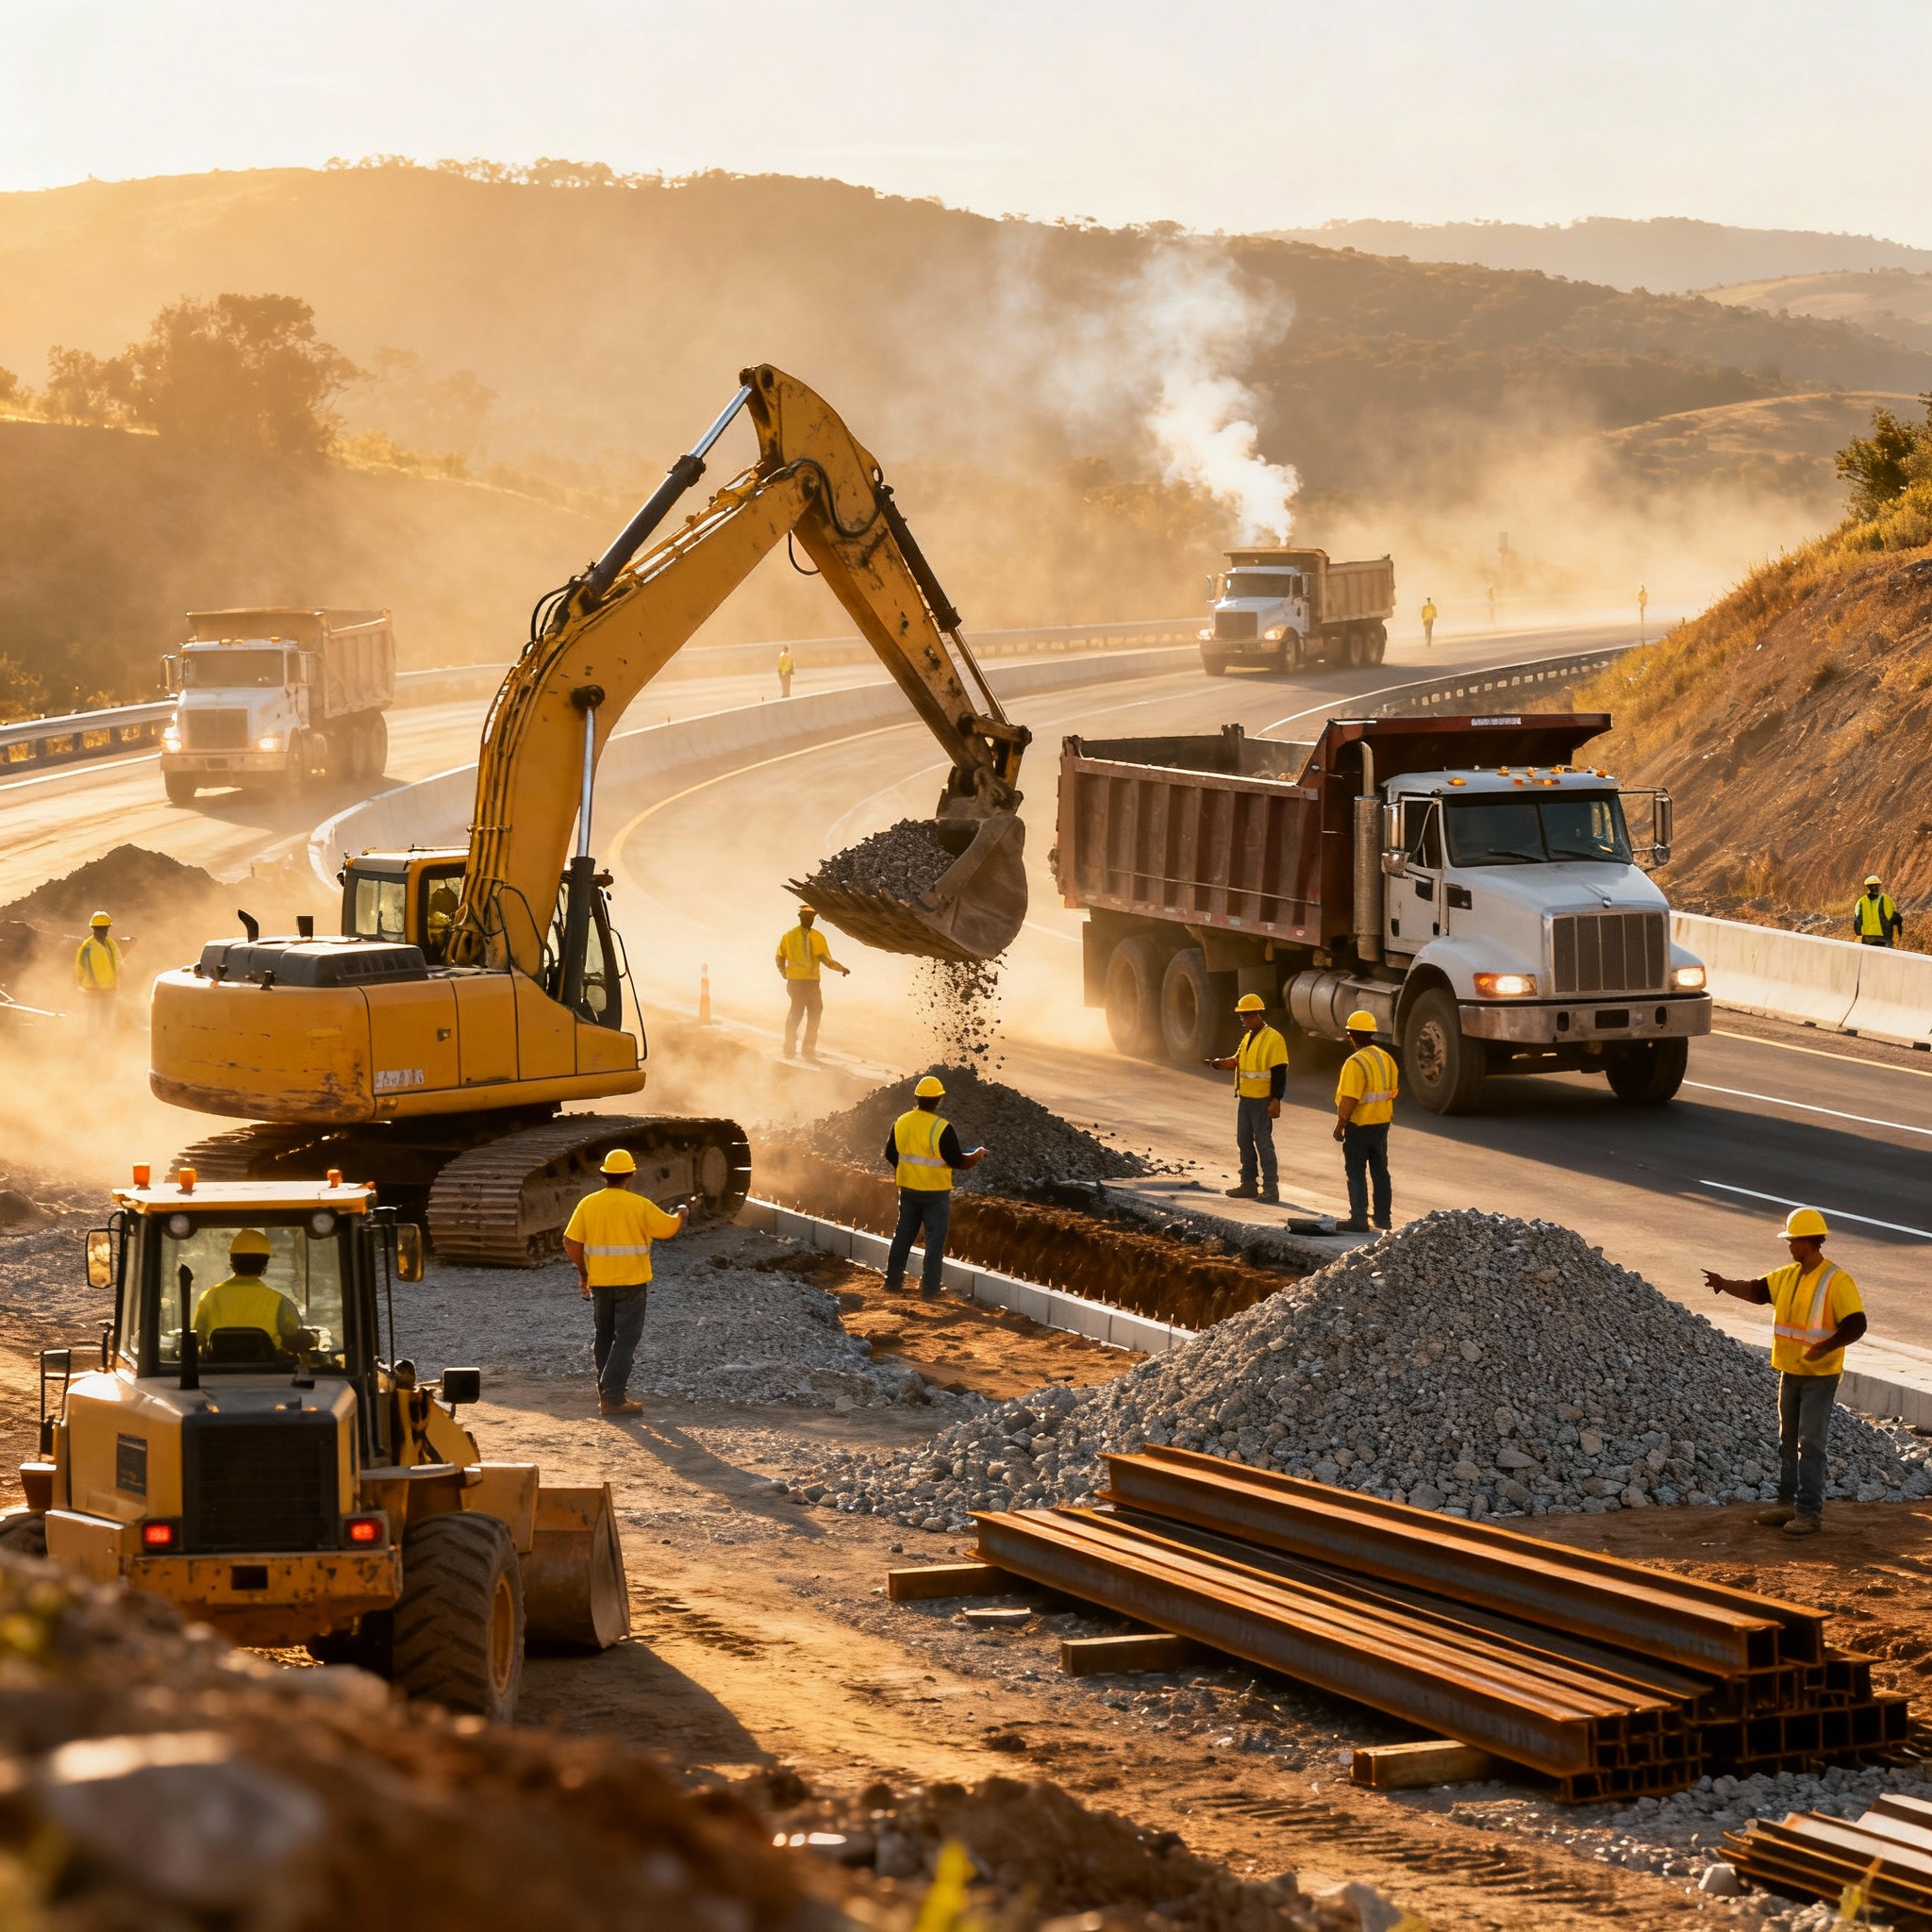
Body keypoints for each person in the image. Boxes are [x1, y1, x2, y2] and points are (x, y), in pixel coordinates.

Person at [1702, 1208, 1867, 1538]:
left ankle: (1808, 1512)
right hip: (1789, 1372)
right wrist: (1723, 1284)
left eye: (1794, 1240)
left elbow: (1856, 1324)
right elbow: (1758, 1290)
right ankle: (1786, 1503)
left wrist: (1826, 1346)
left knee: (1811, 1443)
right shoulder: (1788, 1275)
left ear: (1810, 1241)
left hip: (1819, 1376)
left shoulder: (1836, 1280)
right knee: (1787, 1441)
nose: (1790, 1246)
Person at [562, 1148, 688, 1418]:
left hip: (601, 1283)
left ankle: (606, 1394)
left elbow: (571, 1242)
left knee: (605, 1335)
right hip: (631, 1283)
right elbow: (667, 1229)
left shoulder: (588, 1204)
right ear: (630, 1175)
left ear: (605, 1175)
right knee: (627, 1338)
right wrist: (681, 1214)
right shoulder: (639, 1205)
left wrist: (583, 1272)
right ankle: (614, 1397)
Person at [880, 1074, 985, 1297]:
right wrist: (976, 1156)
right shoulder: (942, 1128)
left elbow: (890, 1154)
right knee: (935, 1242)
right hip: (935, 1194)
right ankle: (929, 1290)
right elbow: (958, 1161)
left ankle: (892, 1283)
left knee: (903, 1237)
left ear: (917, 1098)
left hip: (908, 1190)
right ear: (938, 1100)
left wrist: (909, 1171)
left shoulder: (901, 1121)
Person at [1208, 992, 1288, 1204]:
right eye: (1241, 1016)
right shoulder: (1248, 1038)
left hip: (1262, 1101)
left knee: (1263, 1144)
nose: (1243, 1019)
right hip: (1246, 1100)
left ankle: (1271, 1189)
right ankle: (1249, 1184)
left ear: (1256, 1014)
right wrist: (1218, 1063)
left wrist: (1276, 1099)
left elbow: (1279, 1072)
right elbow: (1237, 1061)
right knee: (1244, 1141)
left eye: (1245, 1015)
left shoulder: (1274, 1038)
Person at [1333, 1010, 1399, 1232]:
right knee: (1380, 1171)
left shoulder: (1355, 1063)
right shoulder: (1386, 1058)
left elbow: (1350, 1099)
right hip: (1381, 1124)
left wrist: (1340, 1125)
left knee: (1356, 1172)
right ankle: (1383, 1219)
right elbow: (1392, 1092)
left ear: (1351, 1035)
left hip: (1359, 1126)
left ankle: (1358, 1219)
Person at [192, 1229, 305, 1354]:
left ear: (232, 1262)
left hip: (218, 1370)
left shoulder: (209, 1297)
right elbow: (296, 1340)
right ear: (264, 1264)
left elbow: (197, 1339)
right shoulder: (280, 1302)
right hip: (270, 1370)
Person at [775, 905, 850, 1060]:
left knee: (795, 1014)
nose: (810, 920)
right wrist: (841, 968)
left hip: (795, 982)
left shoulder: (788, 936)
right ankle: (807, 1050)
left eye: (811, 917)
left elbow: (779, 957)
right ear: (804, 918)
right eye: (809, 917)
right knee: (814, 1014)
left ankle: (789, 1049)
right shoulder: (816, 936)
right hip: (810, 983)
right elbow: (826, 959)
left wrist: (784, 973)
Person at [74, 910, 123, 1039]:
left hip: (109, 989)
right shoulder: (87, 946)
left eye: (105, 928)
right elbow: (80, 967)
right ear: (94, 929)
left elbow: (117, 963)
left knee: (107, 1023)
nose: (103, 932)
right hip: (93, 990)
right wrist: (81, 984)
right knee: (93, 1023)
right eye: (100, 929)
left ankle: (105, 1046)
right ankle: (93, 1048)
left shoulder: (110, 944)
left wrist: (119, 979)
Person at [1853, 874, 1902, 948]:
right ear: (1879, 886)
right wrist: (1898, 935)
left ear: (1867, 887)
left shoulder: (1861, 902)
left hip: (1868, 938)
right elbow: (1897, 919)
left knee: (1869, 958)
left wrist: (1859, 933)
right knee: (1884, 959)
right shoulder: (1887, 899)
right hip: (1885, 937)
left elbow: (1857, 921)